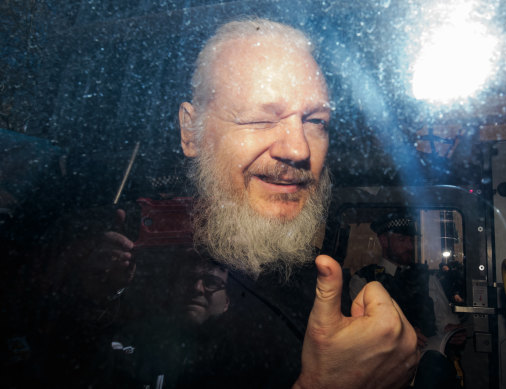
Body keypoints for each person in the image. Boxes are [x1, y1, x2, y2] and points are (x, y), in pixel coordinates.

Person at [35, 17, 418, 388]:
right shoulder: (89, 262)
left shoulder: (314, 283)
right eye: (258, 119)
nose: (299, 149)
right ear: (191, 131)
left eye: (316, 121)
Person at [349, 213, 465, 388]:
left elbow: (444, 320)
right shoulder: (363, 280)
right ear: (384, 241)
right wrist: (400, 335)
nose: (410, 246)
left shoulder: (427, 277)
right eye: (402, 240)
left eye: (412, 240)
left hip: (426, 360)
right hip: (384, 368)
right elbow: (362, 332)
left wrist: (453, 331)